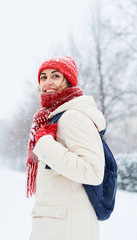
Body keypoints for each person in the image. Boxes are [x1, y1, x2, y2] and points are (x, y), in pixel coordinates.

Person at [26, 56, 106, 240]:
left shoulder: (72, 117)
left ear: (68, 81)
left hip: (67, 227)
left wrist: (45, 144)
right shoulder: (51, 117)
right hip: (55, 225)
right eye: (43, 77)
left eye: (55, 76)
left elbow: (93, 172)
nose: (48, 82)